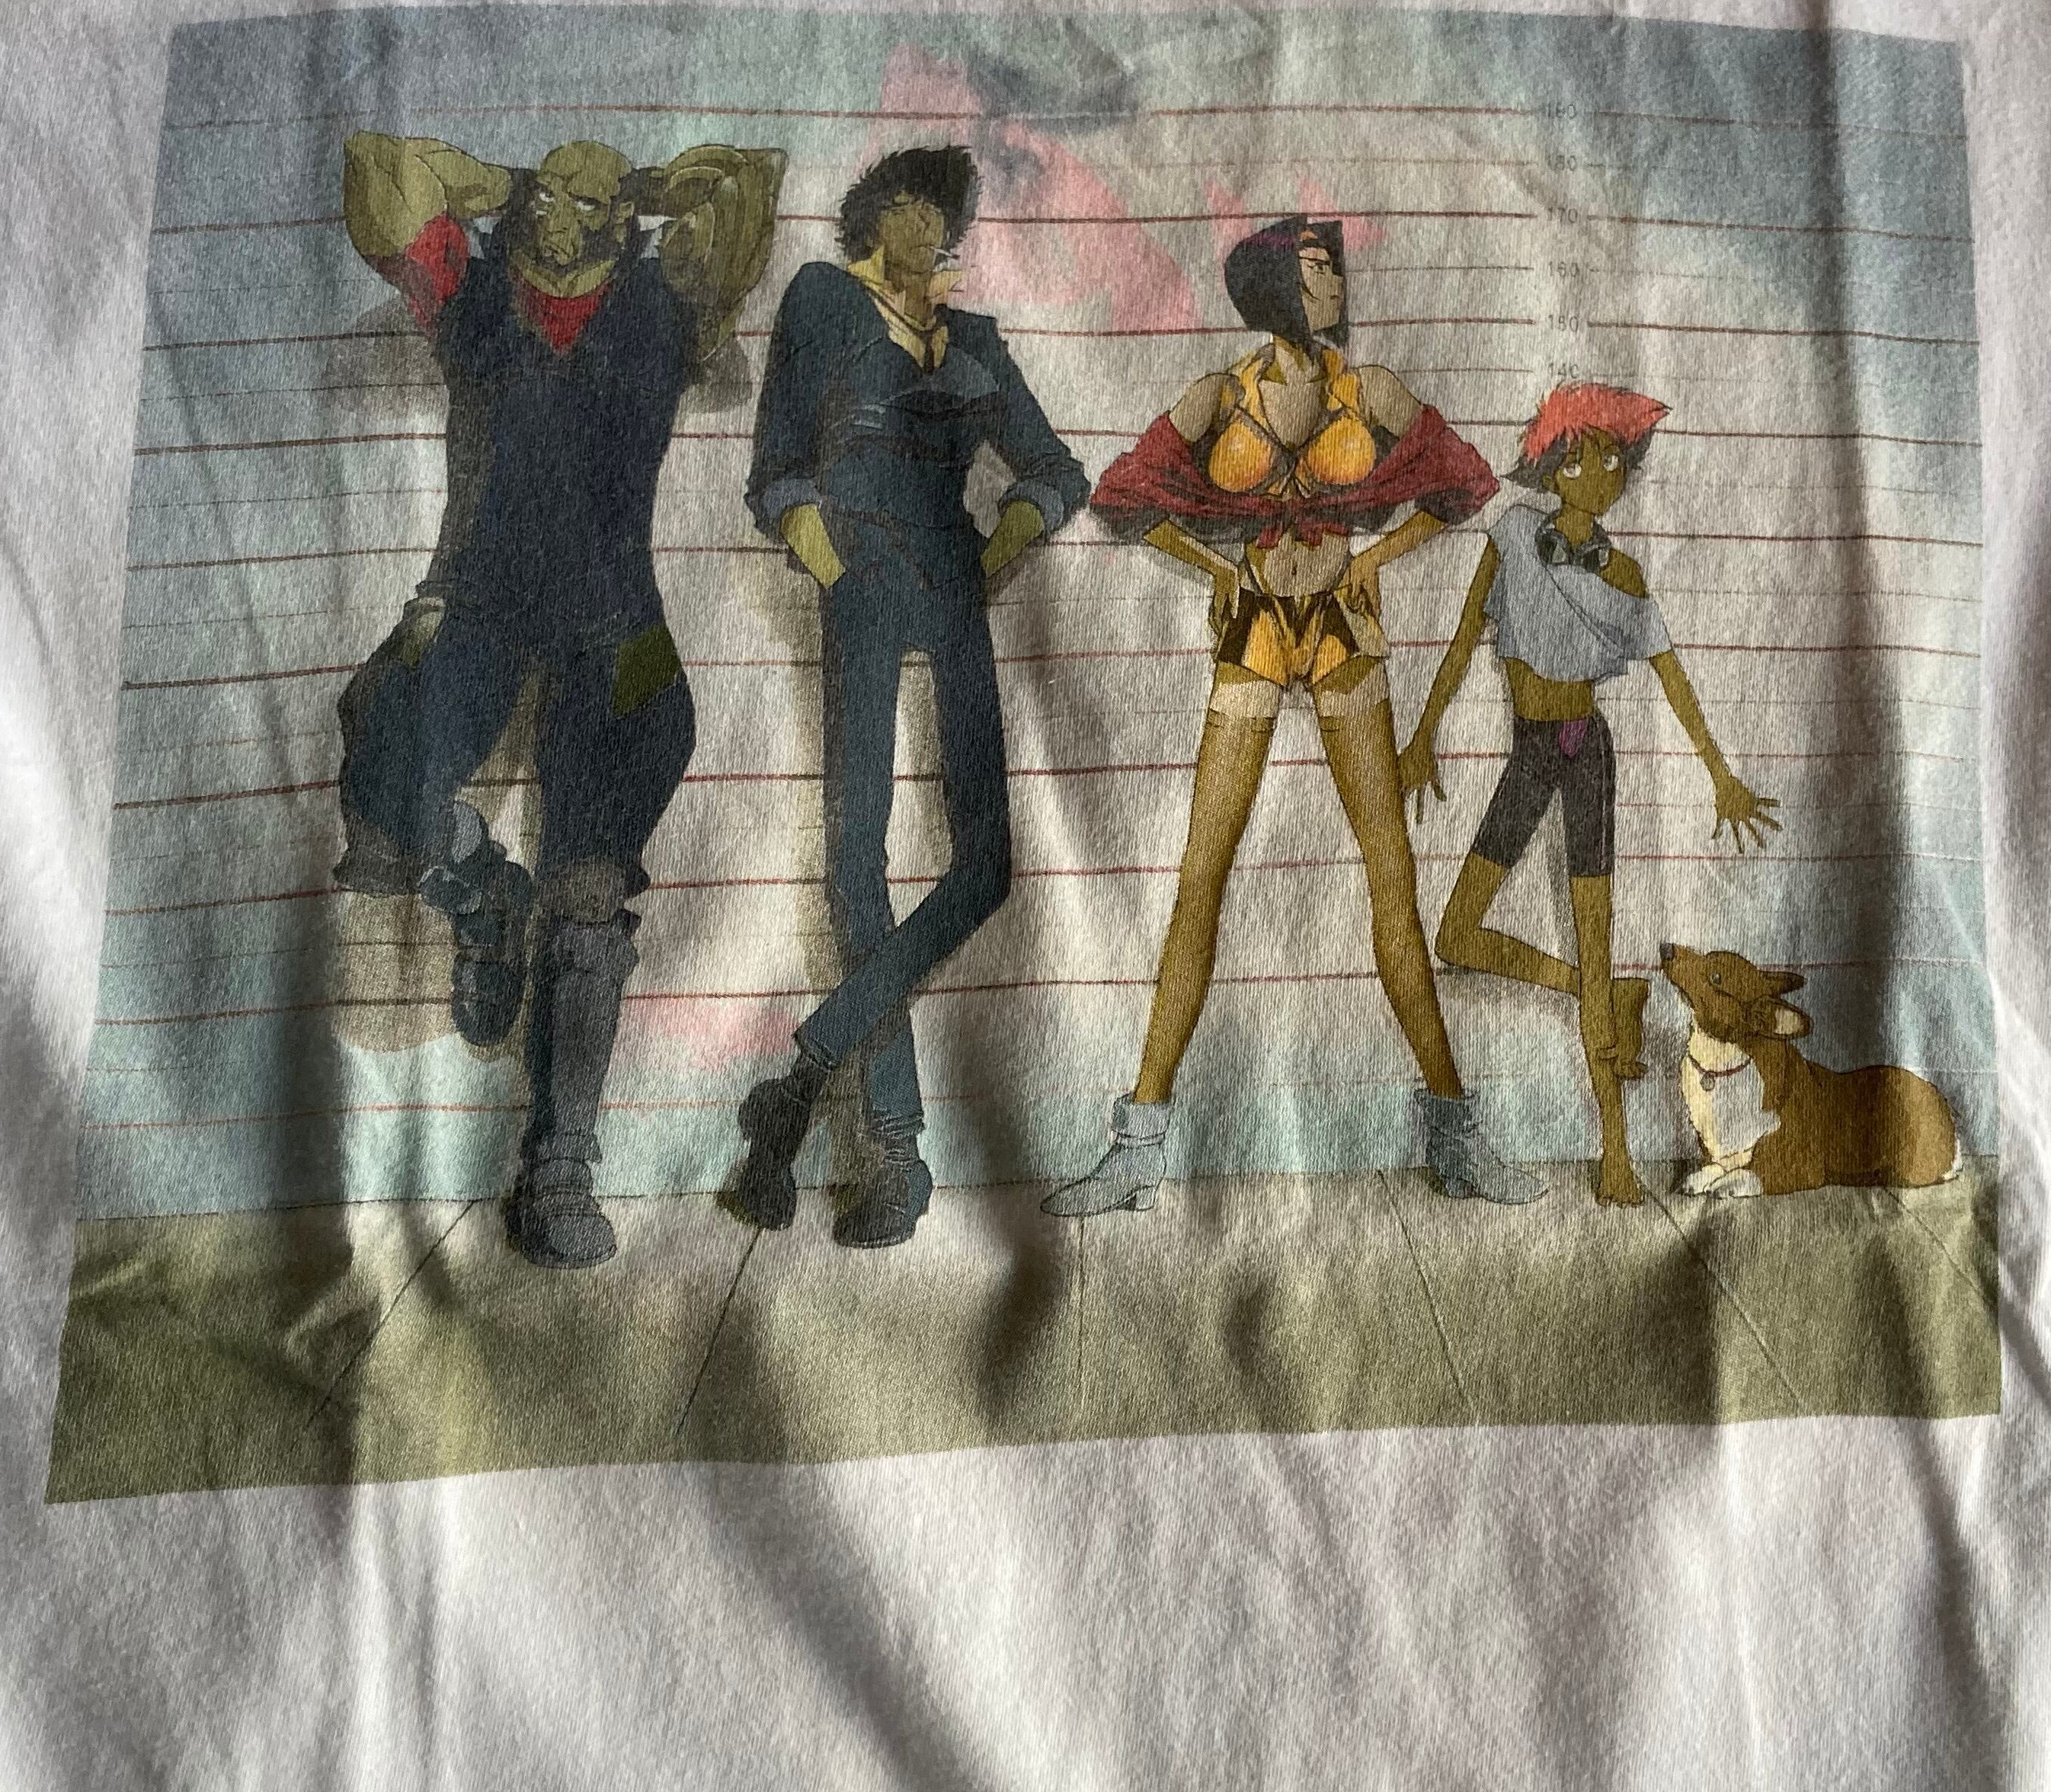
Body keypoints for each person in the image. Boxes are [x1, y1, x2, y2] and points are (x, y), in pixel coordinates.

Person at [333, 131, 786, 1268]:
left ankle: (562, 1167)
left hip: (616, 630)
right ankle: (485, 890)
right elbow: (375, 172)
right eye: (549, 194)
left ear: (618, 220)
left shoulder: (665, 303)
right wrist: (509, 185)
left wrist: (640, 187)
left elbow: (751, 189)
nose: (556, 211)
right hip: (476, 604)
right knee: (380, 778)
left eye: (586, 200)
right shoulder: (472, 287)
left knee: (591, 896)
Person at [1044, 216, 1510, 1218]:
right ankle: (1137, 1147)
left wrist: (1373, 556)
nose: (1336, 284)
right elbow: (1123, 498)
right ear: (1275, 287)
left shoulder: (1368, 388)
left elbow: (1465, 483)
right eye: (1317, 270)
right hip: (1255, 632)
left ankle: (1456, 1135)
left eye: (1334, 270)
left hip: (1344, 634)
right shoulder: (1222, 393)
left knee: (1393, 881)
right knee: (1198, 880)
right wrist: (1216, 570)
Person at [732, 145, 1090, 1248]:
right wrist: (835, 571)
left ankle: (805, 1068)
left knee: (986, 869)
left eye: (944, 213)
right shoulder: (823, 299)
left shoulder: (973, 339)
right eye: (909, 206)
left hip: (953, 588)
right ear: (871, 215)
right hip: (860, 586)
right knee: (858, 861)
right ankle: (896, 1152)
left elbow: (1055, 470)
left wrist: (994, 554)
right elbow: (779, 468)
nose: (929, 227)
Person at [1397, 381, 1780, 1206]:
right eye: (1582, 459)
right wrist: (1423, 735)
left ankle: (1615, 1152)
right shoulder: (1511, 536)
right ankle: (1599, 991)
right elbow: (1465, 638)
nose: (1601, 475)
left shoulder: (1626, 575)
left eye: (1614, 461)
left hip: (1584, 753)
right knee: (1458, 933)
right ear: (1551, 466)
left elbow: (1670, 674)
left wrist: (1719, 774)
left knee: (1596, 940)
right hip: (1529, 751)